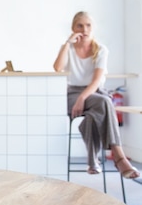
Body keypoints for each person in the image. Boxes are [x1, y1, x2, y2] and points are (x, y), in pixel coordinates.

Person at [53, 11, 139, 178]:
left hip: (93, 92)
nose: (84, 29)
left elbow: (96, 81)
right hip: (72, 94)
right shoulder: (68, 49)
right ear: (73, 28)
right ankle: (119, 158)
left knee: (97, 110)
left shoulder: (100, 50)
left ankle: (93, 160)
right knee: (105, 103)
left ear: (93, 28)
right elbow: (57, 68)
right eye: (80, 25)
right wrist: (67, 43)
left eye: (88, 25)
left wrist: (82, 98)